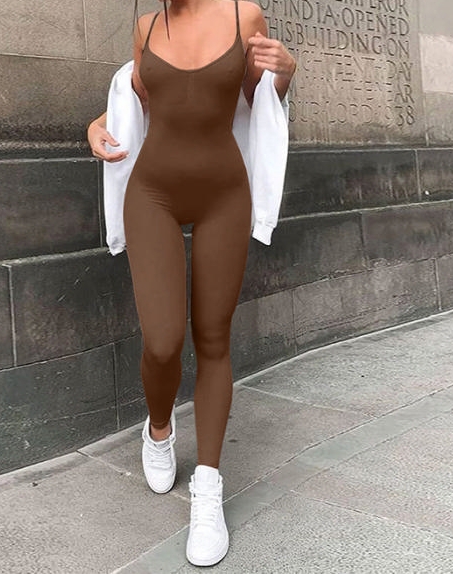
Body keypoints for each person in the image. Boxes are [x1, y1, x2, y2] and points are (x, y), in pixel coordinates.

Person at [87, 0, 296, 566]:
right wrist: (95, 126)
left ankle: (207, 488)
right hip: (151, 192)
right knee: (162, 341)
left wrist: (285, 72)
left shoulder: (244, 16)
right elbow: (138, 99)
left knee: (212, 336)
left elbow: (258, 101)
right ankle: (159, 429)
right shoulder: (146, 26)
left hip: (223, 194)